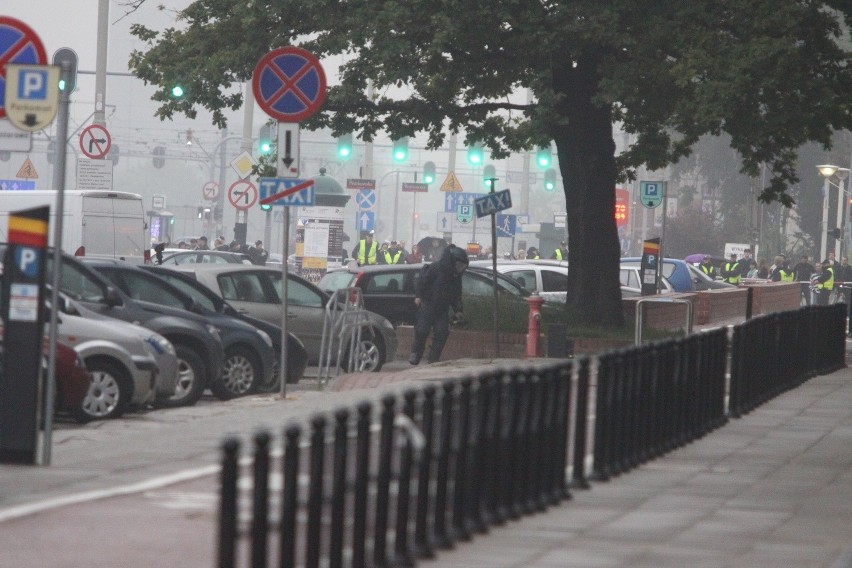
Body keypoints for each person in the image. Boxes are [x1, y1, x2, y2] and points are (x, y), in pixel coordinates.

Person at [409, 244, 469, 365]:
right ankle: (416, 354)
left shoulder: (455, 276)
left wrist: (458, 309)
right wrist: (418, 296)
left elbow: (457, 294)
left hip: (442, 308)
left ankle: (433, 358)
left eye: (462, 266)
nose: (460, 268)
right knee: (422, 331)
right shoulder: (435, 268)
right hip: (428, 304)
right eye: (459, 265)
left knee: (442, 332)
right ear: (452, 261)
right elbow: (422, 281)